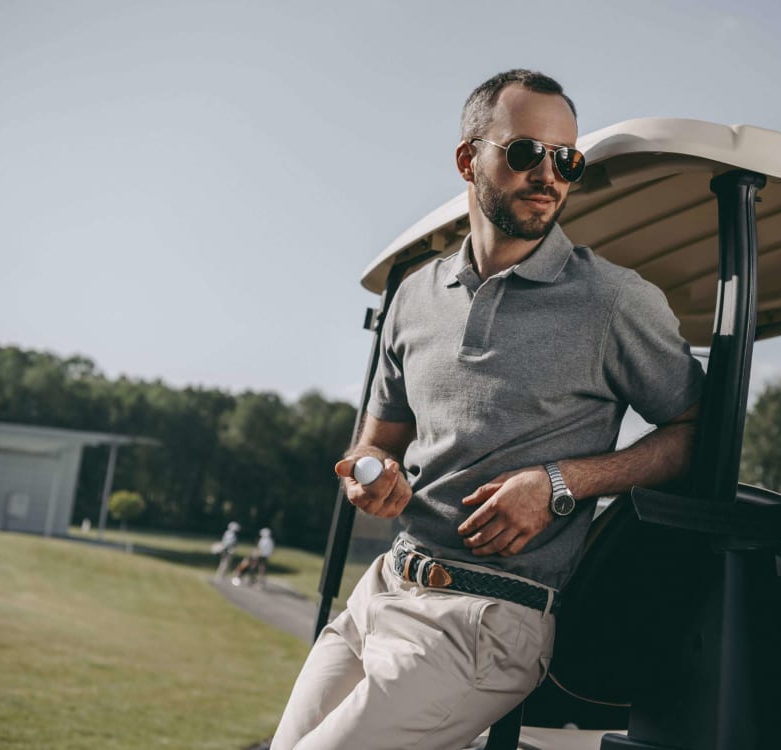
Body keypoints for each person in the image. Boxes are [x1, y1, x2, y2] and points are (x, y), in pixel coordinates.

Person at [271, 69, 705, 750]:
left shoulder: (613, 302)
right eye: (527, 153)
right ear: (468, 158)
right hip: (384, 589)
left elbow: (698, 432)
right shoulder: (415, 295)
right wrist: (371, 473)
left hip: (492, 621)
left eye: (567, 160)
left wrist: (561, 482)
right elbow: (374, 442)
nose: (549, 175)